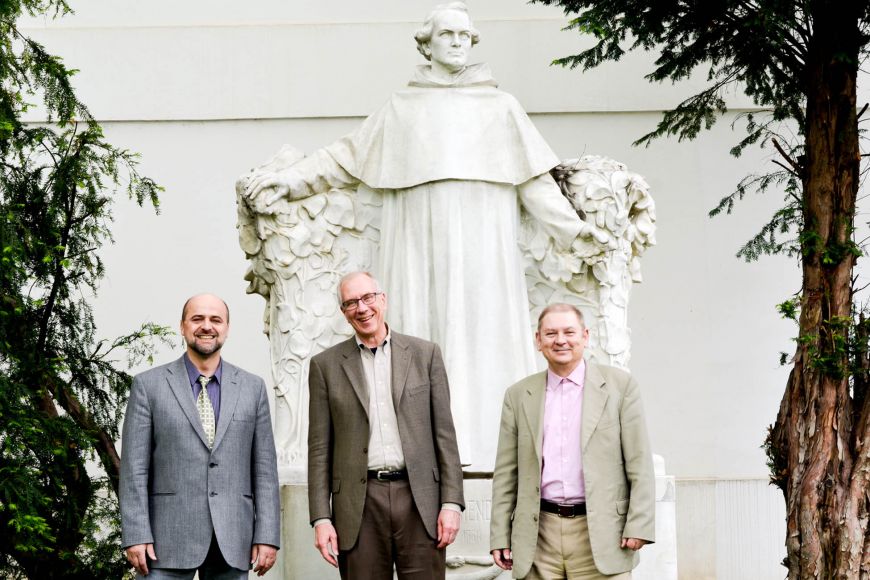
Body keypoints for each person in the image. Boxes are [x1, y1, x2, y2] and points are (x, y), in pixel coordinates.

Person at [243, 1, 586, 470]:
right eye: (447, 34)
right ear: (426, 44)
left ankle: (490, 443)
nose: (458, 43)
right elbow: (348, 156)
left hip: (484, 234)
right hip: (418, 235)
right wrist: (293, 179)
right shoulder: (402, 107)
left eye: (465, 35)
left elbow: (535, 183)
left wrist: (575, 232)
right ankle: (422, 448)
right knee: (422, 332)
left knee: (480, 327)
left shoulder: (501, 107)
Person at [307, 271, 465, 579]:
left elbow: (445, 435)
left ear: (383, 300)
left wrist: (451, 502)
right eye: (351, 302)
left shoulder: (425, 354)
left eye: (367, 298)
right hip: (358, 504)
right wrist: (321, 518)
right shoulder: (324, 366)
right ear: (344, 312)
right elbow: (319, 449)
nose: (362, 308)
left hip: (420, 500)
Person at [119, 294, 280, 578]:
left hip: (233, 537)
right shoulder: (148, 386)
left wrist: (267, 534)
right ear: (182, 327)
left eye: (215, 319)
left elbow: (265, 470)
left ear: (227, 328)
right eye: (197, 319)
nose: (207, 326)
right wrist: (135, 533)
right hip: (164, 539)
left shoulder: (252, 388)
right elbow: (134, 470)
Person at [489, 304, 655, 579]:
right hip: (539, 533)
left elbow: (639, 462)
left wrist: (639, 524)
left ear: (585, 336)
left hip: (602, 532)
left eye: (569, 332)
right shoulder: (519, 395)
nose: (561, 340)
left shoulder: (620, 387)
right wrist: (499, 534)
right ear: (538, 340)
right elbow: (506, 472)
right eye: (551, 333)